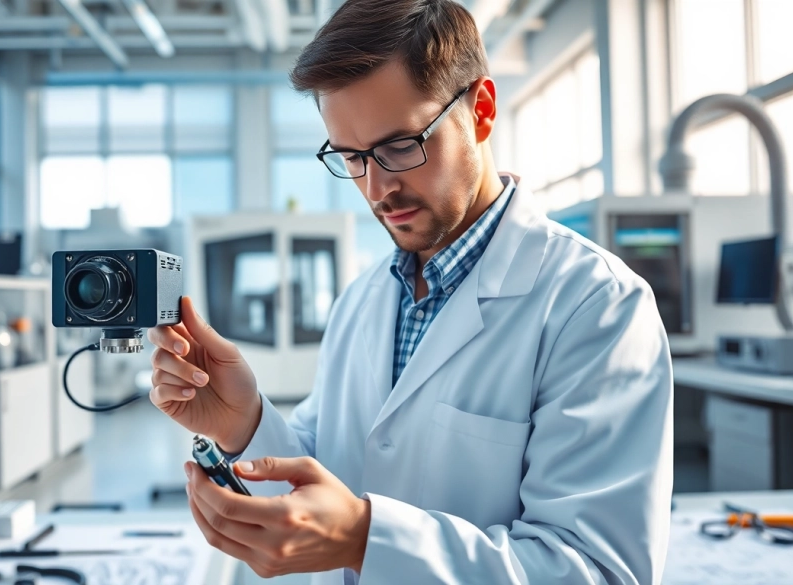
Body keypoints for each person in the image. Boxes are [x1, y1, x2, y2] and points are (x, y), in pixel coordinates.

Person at [148, 0, 673, 583]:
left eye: (401, 145)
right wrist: (243, 422)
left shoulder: (596, 306)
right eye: (351, 156)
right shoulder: (363, 300)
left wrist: (367, 539)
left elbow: (597, 568)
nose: (377, 187)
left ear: (481, 110)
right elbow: (331, 475)